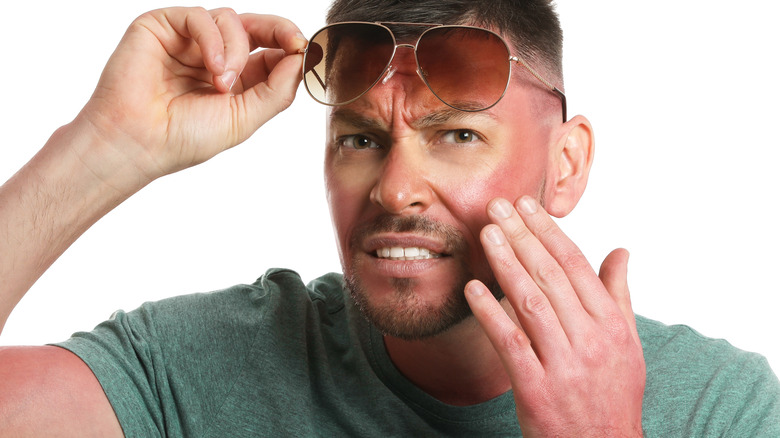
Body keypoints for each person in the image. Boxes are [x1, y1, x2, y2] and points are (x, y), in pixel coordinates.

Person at [0, 1, 777, 437]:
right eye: (361, 138)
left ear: (567, 164)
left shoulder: (718, 408)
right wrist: (101, 150)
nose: (396, 187)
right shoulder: (193, 369)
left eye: (457, 133)